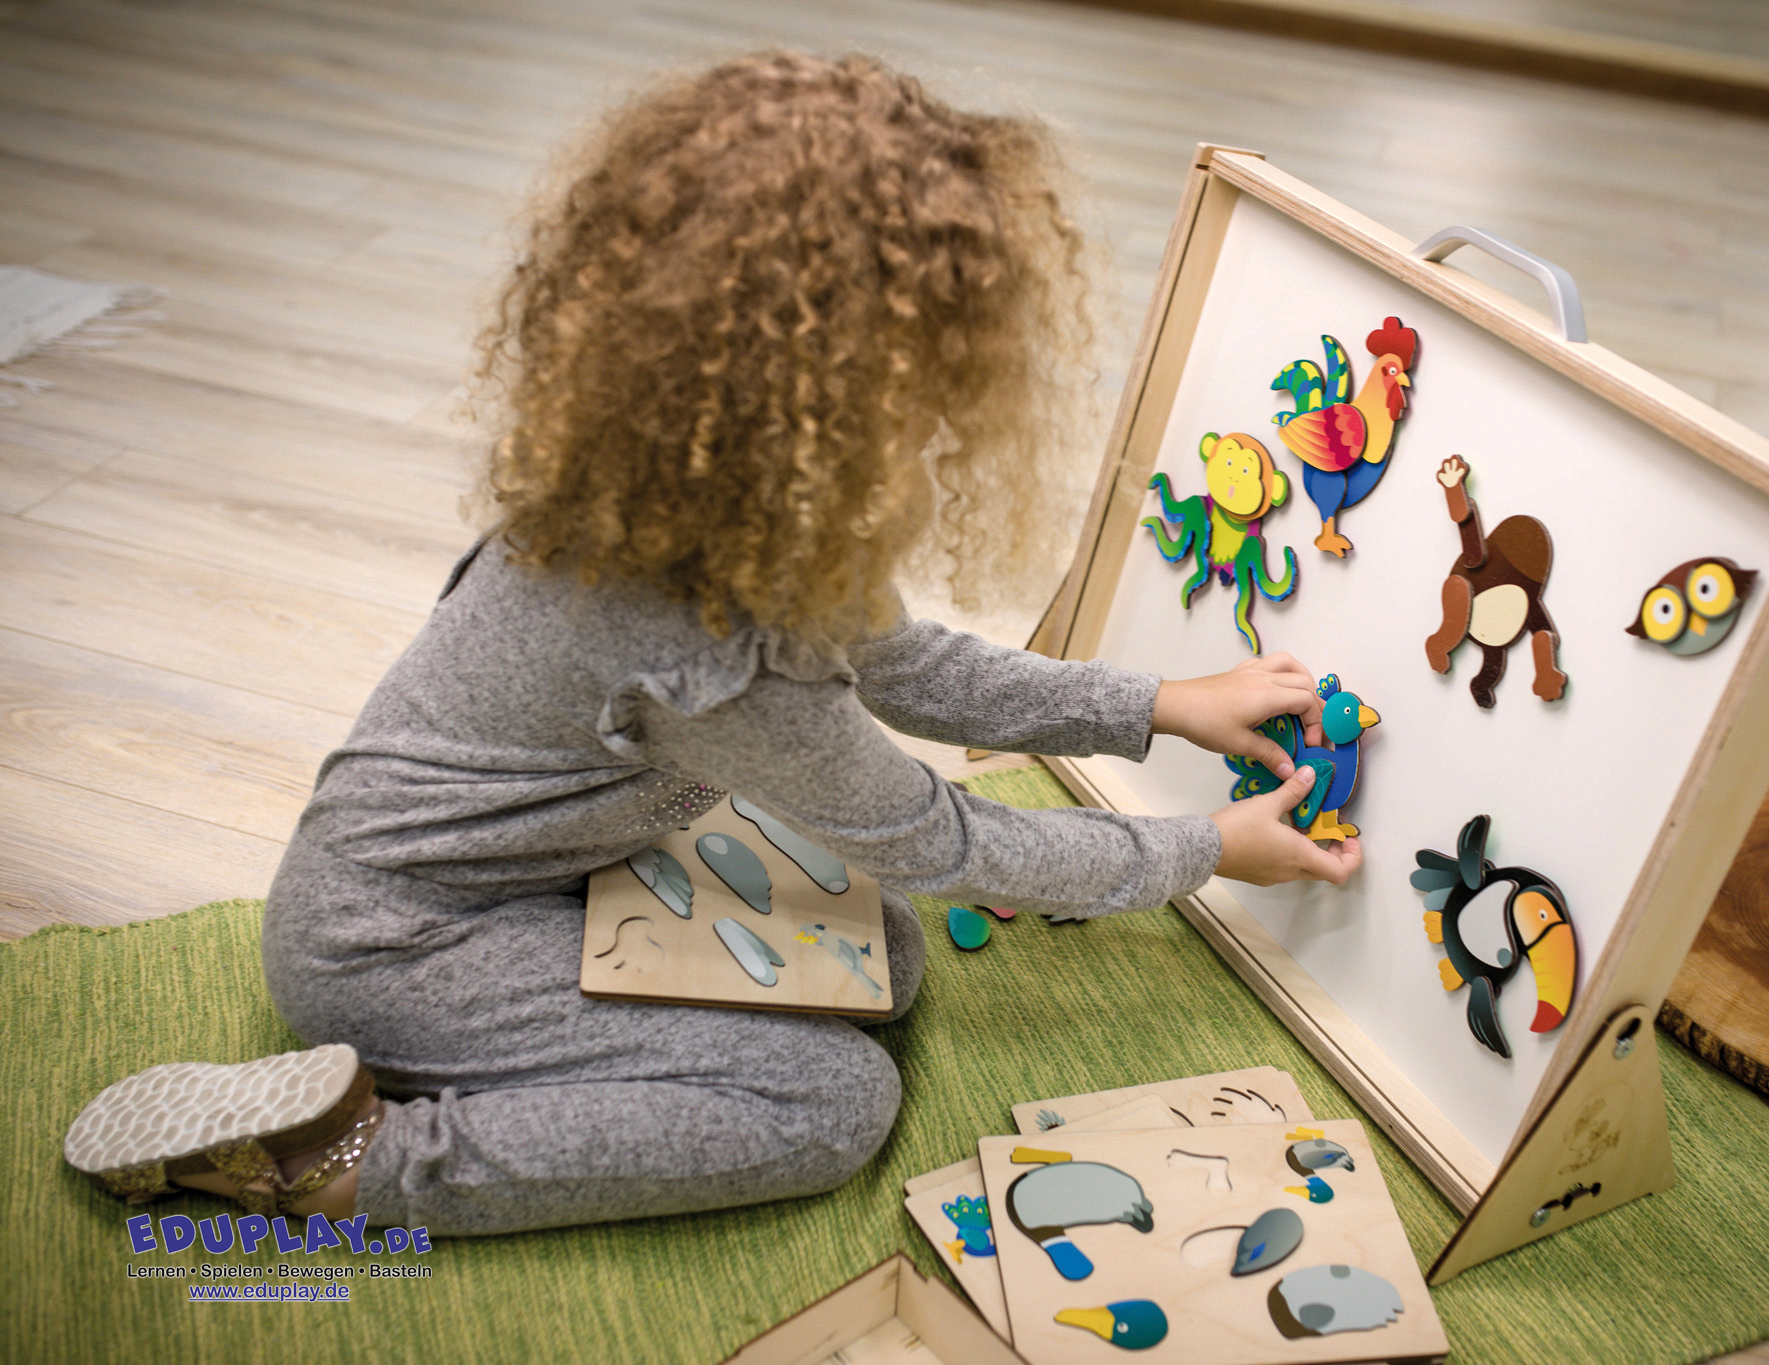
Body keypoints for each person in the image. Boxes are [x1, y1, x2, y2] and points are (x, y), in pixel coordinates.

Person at [63, 51, 1360, 1238]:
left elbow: (906, 666)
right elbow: (938, 838)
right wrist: (1205, 849)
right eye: (928, 389)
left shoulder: (687, 500)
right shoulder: (719, 649)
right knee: (827, 1097)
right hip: (397, 949)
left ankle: (447, 1074)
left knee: (886, 960)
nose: (949, 420)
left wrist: (1159, 701)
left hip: (510, 869)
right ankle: (342, 1162)